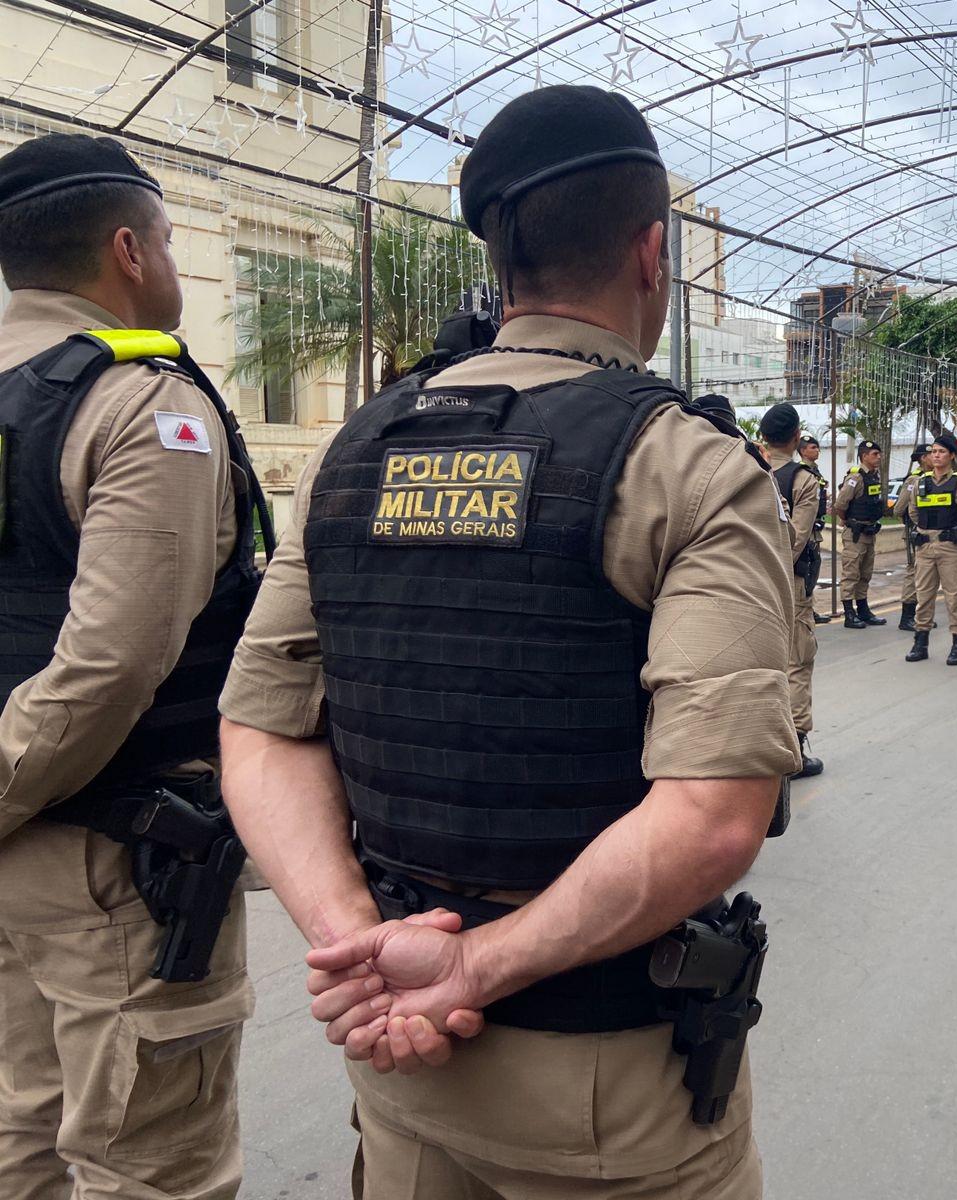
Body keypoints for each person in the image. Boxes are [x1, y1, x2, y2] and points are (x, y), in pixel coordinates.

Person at [217, 86, 796, 1198]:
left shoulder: (354, 451)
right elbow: (715, 815)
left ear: (498, 256)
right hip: (606, 1090)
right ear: (652, 252)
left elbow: (261, 727)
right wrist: (472, 966)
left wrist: (358, 943)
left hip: (401, 1059)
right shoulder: (685, 465)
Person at [0, 133, 265, 1196]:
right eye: (166, 241)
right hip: (116, 859)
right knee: (153, 1167)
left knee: (21, 1130)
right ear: (127, 250)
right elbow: (113, 666)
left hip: (27, 846)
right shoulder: (140, 402)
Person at [767, 407, 825, 776]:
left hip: (747, 582)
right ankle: (795, 750)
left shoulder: (747, 468)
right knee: (797, 661)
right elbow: (795, 540)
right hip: (789, 583)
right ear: (796, 437)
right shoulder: (803, 480)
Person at [904, 435, 957, 665]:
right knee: (923, 596)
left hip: (951, 548)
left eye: (941, 452)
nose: (936, 455)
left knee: (954, 598)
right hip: (925, 547)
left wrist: (955, 531)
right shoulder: (920, 483)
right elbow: (913, 512)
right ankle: (920, 643)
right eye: (934, 451)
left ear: (952, 456)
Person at [832, 439, 888, 628]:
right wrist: (849, 521)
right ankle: (849, 613)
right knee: (851, 573)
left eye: (879, 454)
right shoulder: (855, 478)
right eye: (875, 454)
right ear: (864, 456)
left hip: (869, 532)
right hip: (855, 534)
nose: (879, 457)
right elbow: (840, 505)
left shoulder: (873, 476)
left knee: (865, 573)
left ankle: (863, 610)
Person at [895, 442, 932, 630]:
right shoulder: (914, 480)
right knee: (913, 573)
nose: (936, 456)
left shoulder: (934, 478)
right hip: (915, 533)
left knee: (926, 574)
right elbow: (898, 509)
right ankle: (906, 617)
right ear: (923, 458)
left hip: (931, 533)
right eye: (932, 454)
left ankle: (920, 615)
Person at [798, 433, 832, 624]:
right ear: (803, 451)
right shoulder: (801, 471)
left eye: (817, 447)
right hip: (806, 528)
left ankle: (810, 607)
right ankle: (804, 608)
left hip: (816, 527)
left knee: (814, 567)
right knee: (806, 568)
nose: (817, 450)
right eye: (813, 447)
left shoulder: (815, 472)